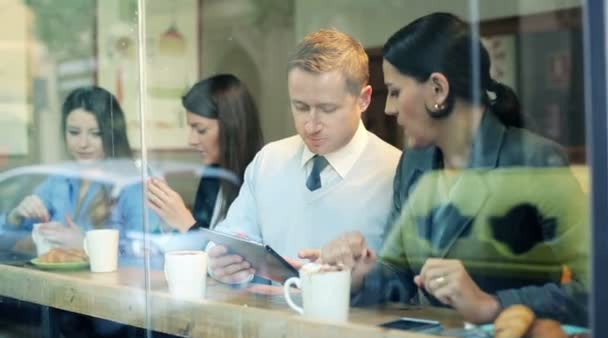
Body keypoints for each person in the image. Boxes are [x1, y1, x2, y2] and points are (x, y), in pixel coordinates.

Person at [319, 12, 589, 326]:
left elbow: (595, 289)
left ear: (437, 89)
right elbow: (401, 278)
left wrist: (492, 305)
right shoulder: (413, 164)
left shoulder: (535, 160)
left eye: (395, 92)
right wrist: (360, 277)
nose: (388, 109)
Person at [208, 29, 401, 284]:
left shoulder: (396, 171)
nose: (311, 125)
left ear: (364, 99)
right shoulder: (268, 160)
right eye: (300, 107)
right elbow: (230, 236)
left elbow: (406, 282)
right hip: (271, 319)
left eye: (327, 109)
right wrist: (216, 262)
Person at [6, 86, 156, 250]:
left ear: (113, 135)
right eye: (74, 132)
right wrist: (16, 217)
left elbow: (149, 257)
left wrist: (86, 245)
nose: (83, 144)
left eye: (96, 133)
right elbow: (11, 239)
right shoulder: (60, 180)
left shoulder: (134, 185)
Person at [146, 74, 264, 232]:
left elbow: (232, 254)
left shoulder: (261, 180)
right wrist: (169, 218)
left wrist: (184, 221)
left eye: (201, 130)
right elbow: (199, 243)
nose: (191, 140)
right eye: (191, 128)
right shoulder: (211, 179)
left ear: (231, 127)